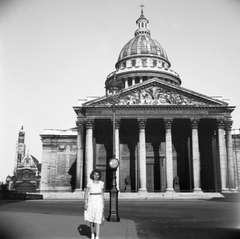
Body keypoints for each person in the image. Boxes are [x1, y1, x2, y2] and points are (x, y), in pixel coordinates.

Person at [84, 169, 105, 239]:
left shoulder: (101, 183)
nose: (96, 176)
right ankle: (92, 233)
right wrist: (85, 203)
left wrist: (103, 203)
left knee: (98, 219)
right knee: (91, 219)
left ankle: (97, 235)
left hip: (99, 200)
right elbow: (86, 193)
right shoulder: (89, 183)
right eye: (95, 174)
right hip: (91, 200)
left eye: (97, 175)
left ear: (99, 176)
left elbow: (102, 194)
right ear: (92, 175)